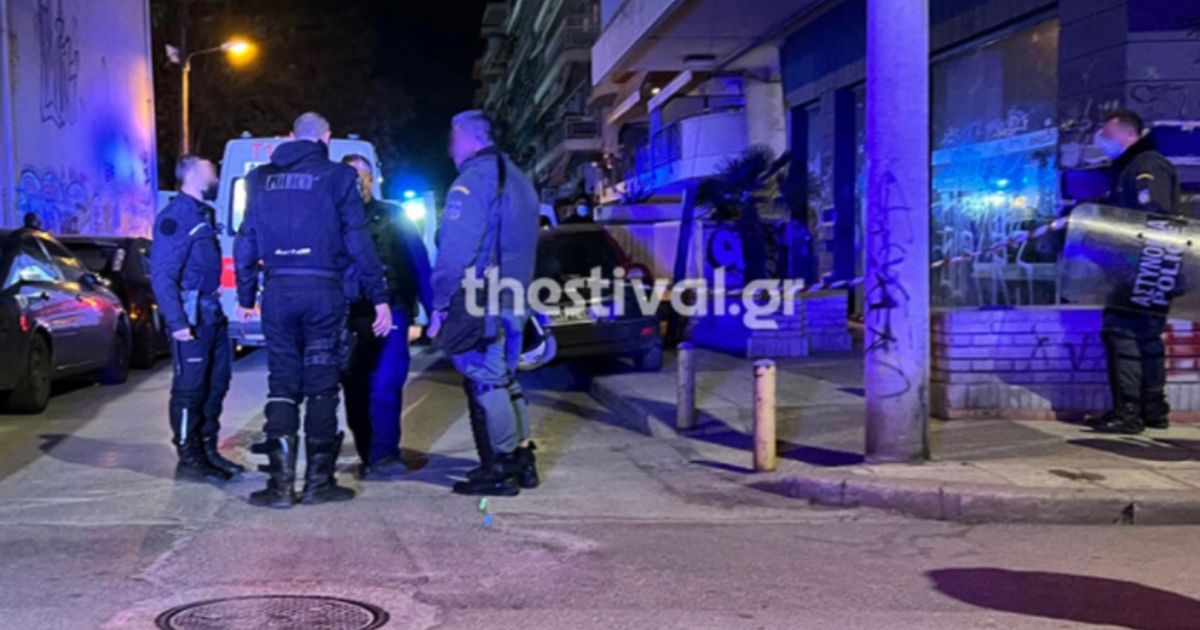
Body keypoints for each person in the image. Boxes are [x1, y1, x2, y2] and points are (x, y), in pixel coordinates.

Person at [234, 112, 392, 507]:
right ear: (327, 138)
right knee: (322, 386)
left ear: (291, 137)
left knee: (282, 385)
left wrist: (246, 296)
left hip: (278, 291)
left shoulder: (259, 179)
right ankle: (319, 483)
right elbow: (358, 242)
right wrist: (379, 297)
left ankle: (280, 487)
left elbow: (246, 241)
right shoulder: (339, 177)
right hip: (324, 292)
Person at [429, 110, 540, 496]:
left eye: (453, 137)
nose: (450, 147)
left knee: (487, 382)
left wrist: (440, 302)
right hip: (516, 296)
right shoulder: (520, 179)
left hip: (482, 300)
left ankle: (501, 468)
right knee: (506, 379)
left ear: (469, 136)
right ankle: (523, 459)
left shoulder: (474, 180)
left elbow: (455, 252)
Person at [1089, 109, 1182, 435]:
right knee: (1146, 337)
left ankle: (1129, 411)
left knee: (1123, 334)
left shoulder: (1145, 166)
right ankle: (1152, 409)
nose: (1103, 140)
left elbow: (1152, 216)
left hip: (1140, 268)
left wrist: (1125, 258)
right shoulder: (1133, 166)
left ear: (1129, 134)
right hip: (1151, 268)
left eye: (1108, 134)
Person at [340, 154, 433, 479]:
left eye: (362, 176)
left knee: (384, 382)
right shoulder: (332, 218)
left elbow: (419, 263)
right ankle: (370, 453)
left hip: (391, 309)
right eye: (349, 176)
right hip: (348, 313)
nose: (357, 183)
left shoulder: (393, 215)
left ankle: (383, 456)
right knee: (354, 387)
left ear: (372, 179)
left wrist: (433, 311)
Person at [152, 155, 243, 482]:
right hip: (191, 319)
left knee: (216, 385)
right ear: (192, 174)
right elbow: (163, 274)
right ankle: (189, 456)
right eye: (209, 169)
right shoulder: (176, 217)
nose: (215, 174)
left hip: (211, 315)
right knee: (190, 389)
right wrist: (177, 323)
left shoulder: (203, 213)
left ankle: (207, 450)